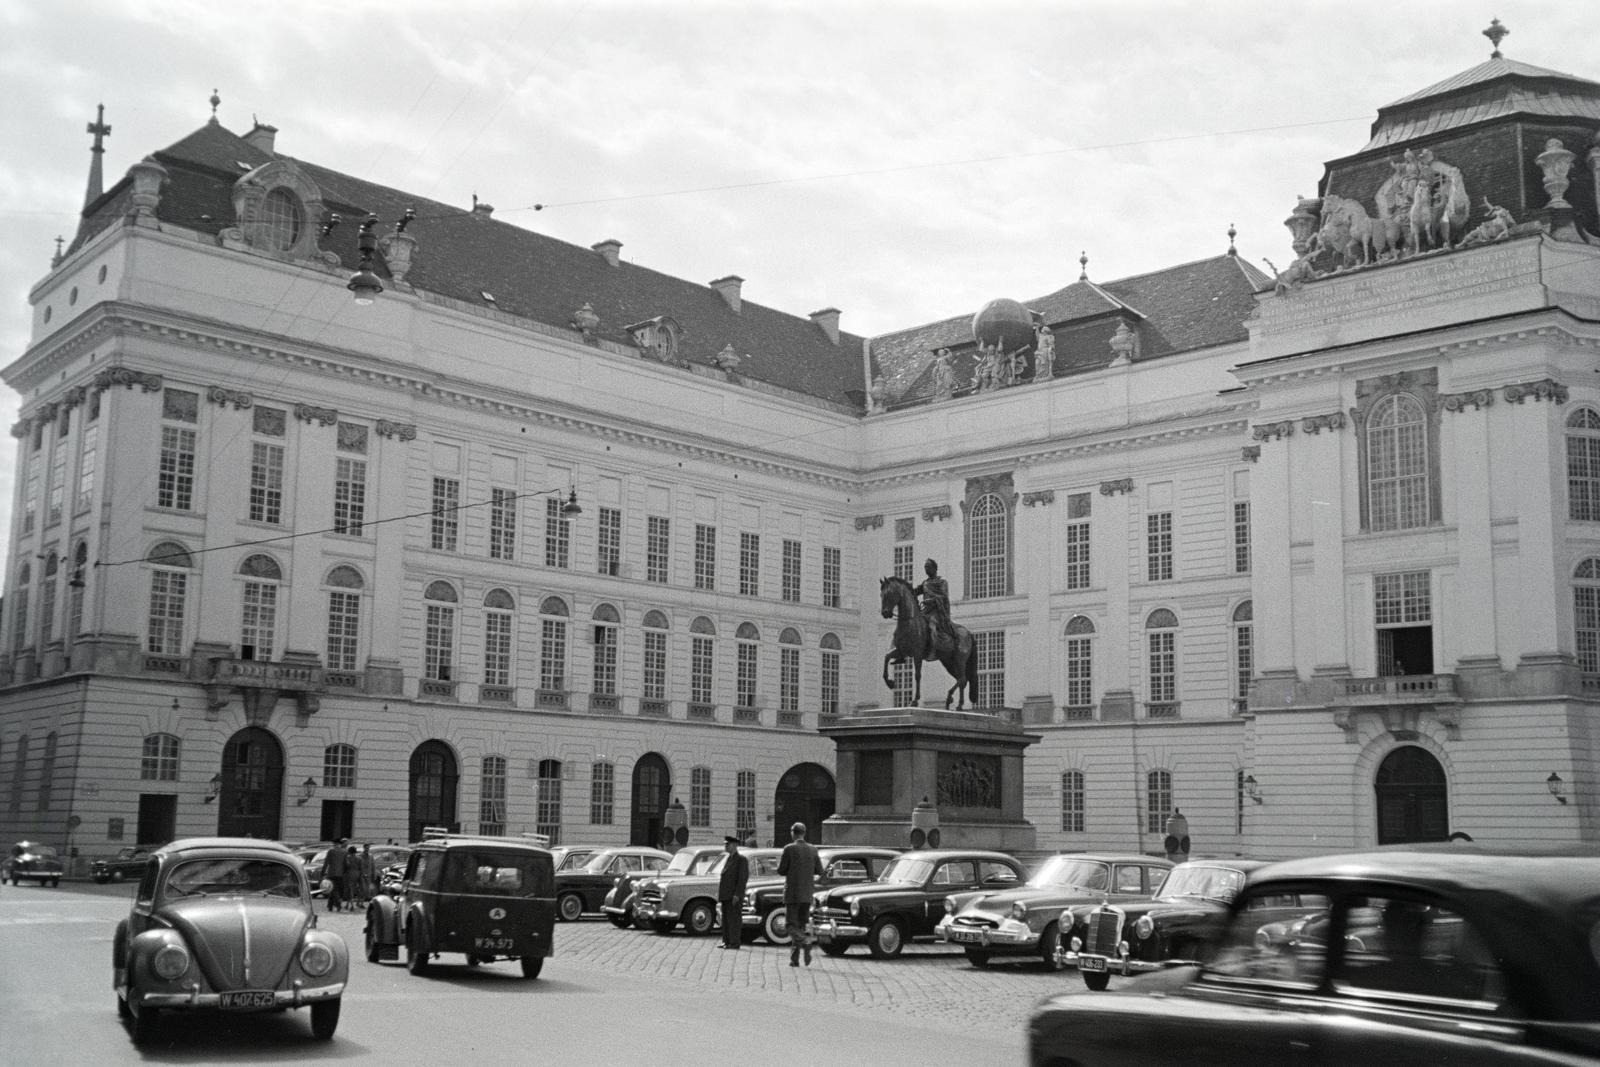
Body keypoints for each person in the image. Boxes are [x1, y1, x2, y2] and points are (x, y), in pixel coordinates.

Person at [778, 821, 824, 966]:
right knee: (801, 926)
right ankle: (794, 959)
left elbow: (781, 870)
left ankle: (805, 942)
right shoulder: (813, 849)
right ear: (804, 833)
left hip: (792, 893)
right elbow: (819, 871)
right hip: (807, 893)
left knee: (790, 925)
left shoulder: (789, 848)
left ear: (793, 833)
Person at [717, 834, 750, 950]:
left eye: (728, 844)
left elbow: (742, 879)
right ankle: (726, 941)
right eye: (725, 844)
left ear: (735, 845)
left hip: (734, 895)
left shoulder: (741, 860)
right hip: (726, 895)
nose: (726, 846)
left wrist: (737, 894)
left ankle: (734, 942)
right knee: (725, 919)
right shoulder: (728, 858)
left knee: (734, 919)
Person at [913, 558, 954, 645]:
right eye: (925, 567)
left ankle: (936, 646)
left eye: (928, 567)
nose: (926, 569)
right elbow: (914, 592)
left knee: (932, 624)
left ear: (935, 568)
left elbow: (944, 597)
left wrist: (931, 601)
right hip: (925, 611)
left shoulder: (942, 582)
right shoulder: (925, 583)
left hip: (937, 612)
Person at [325, 838, 348, 912]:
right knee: (335, 889)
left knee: (332, 890)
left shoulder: (331, 851)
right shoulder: (344, 852)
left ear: (334, 844)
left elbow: (326, 862)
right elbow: (346, 864)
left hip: (331, 873)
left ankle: (337, 904)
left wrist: (322, 872)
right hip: (340, 874)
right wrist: (344, 872)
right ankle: (330, 905)